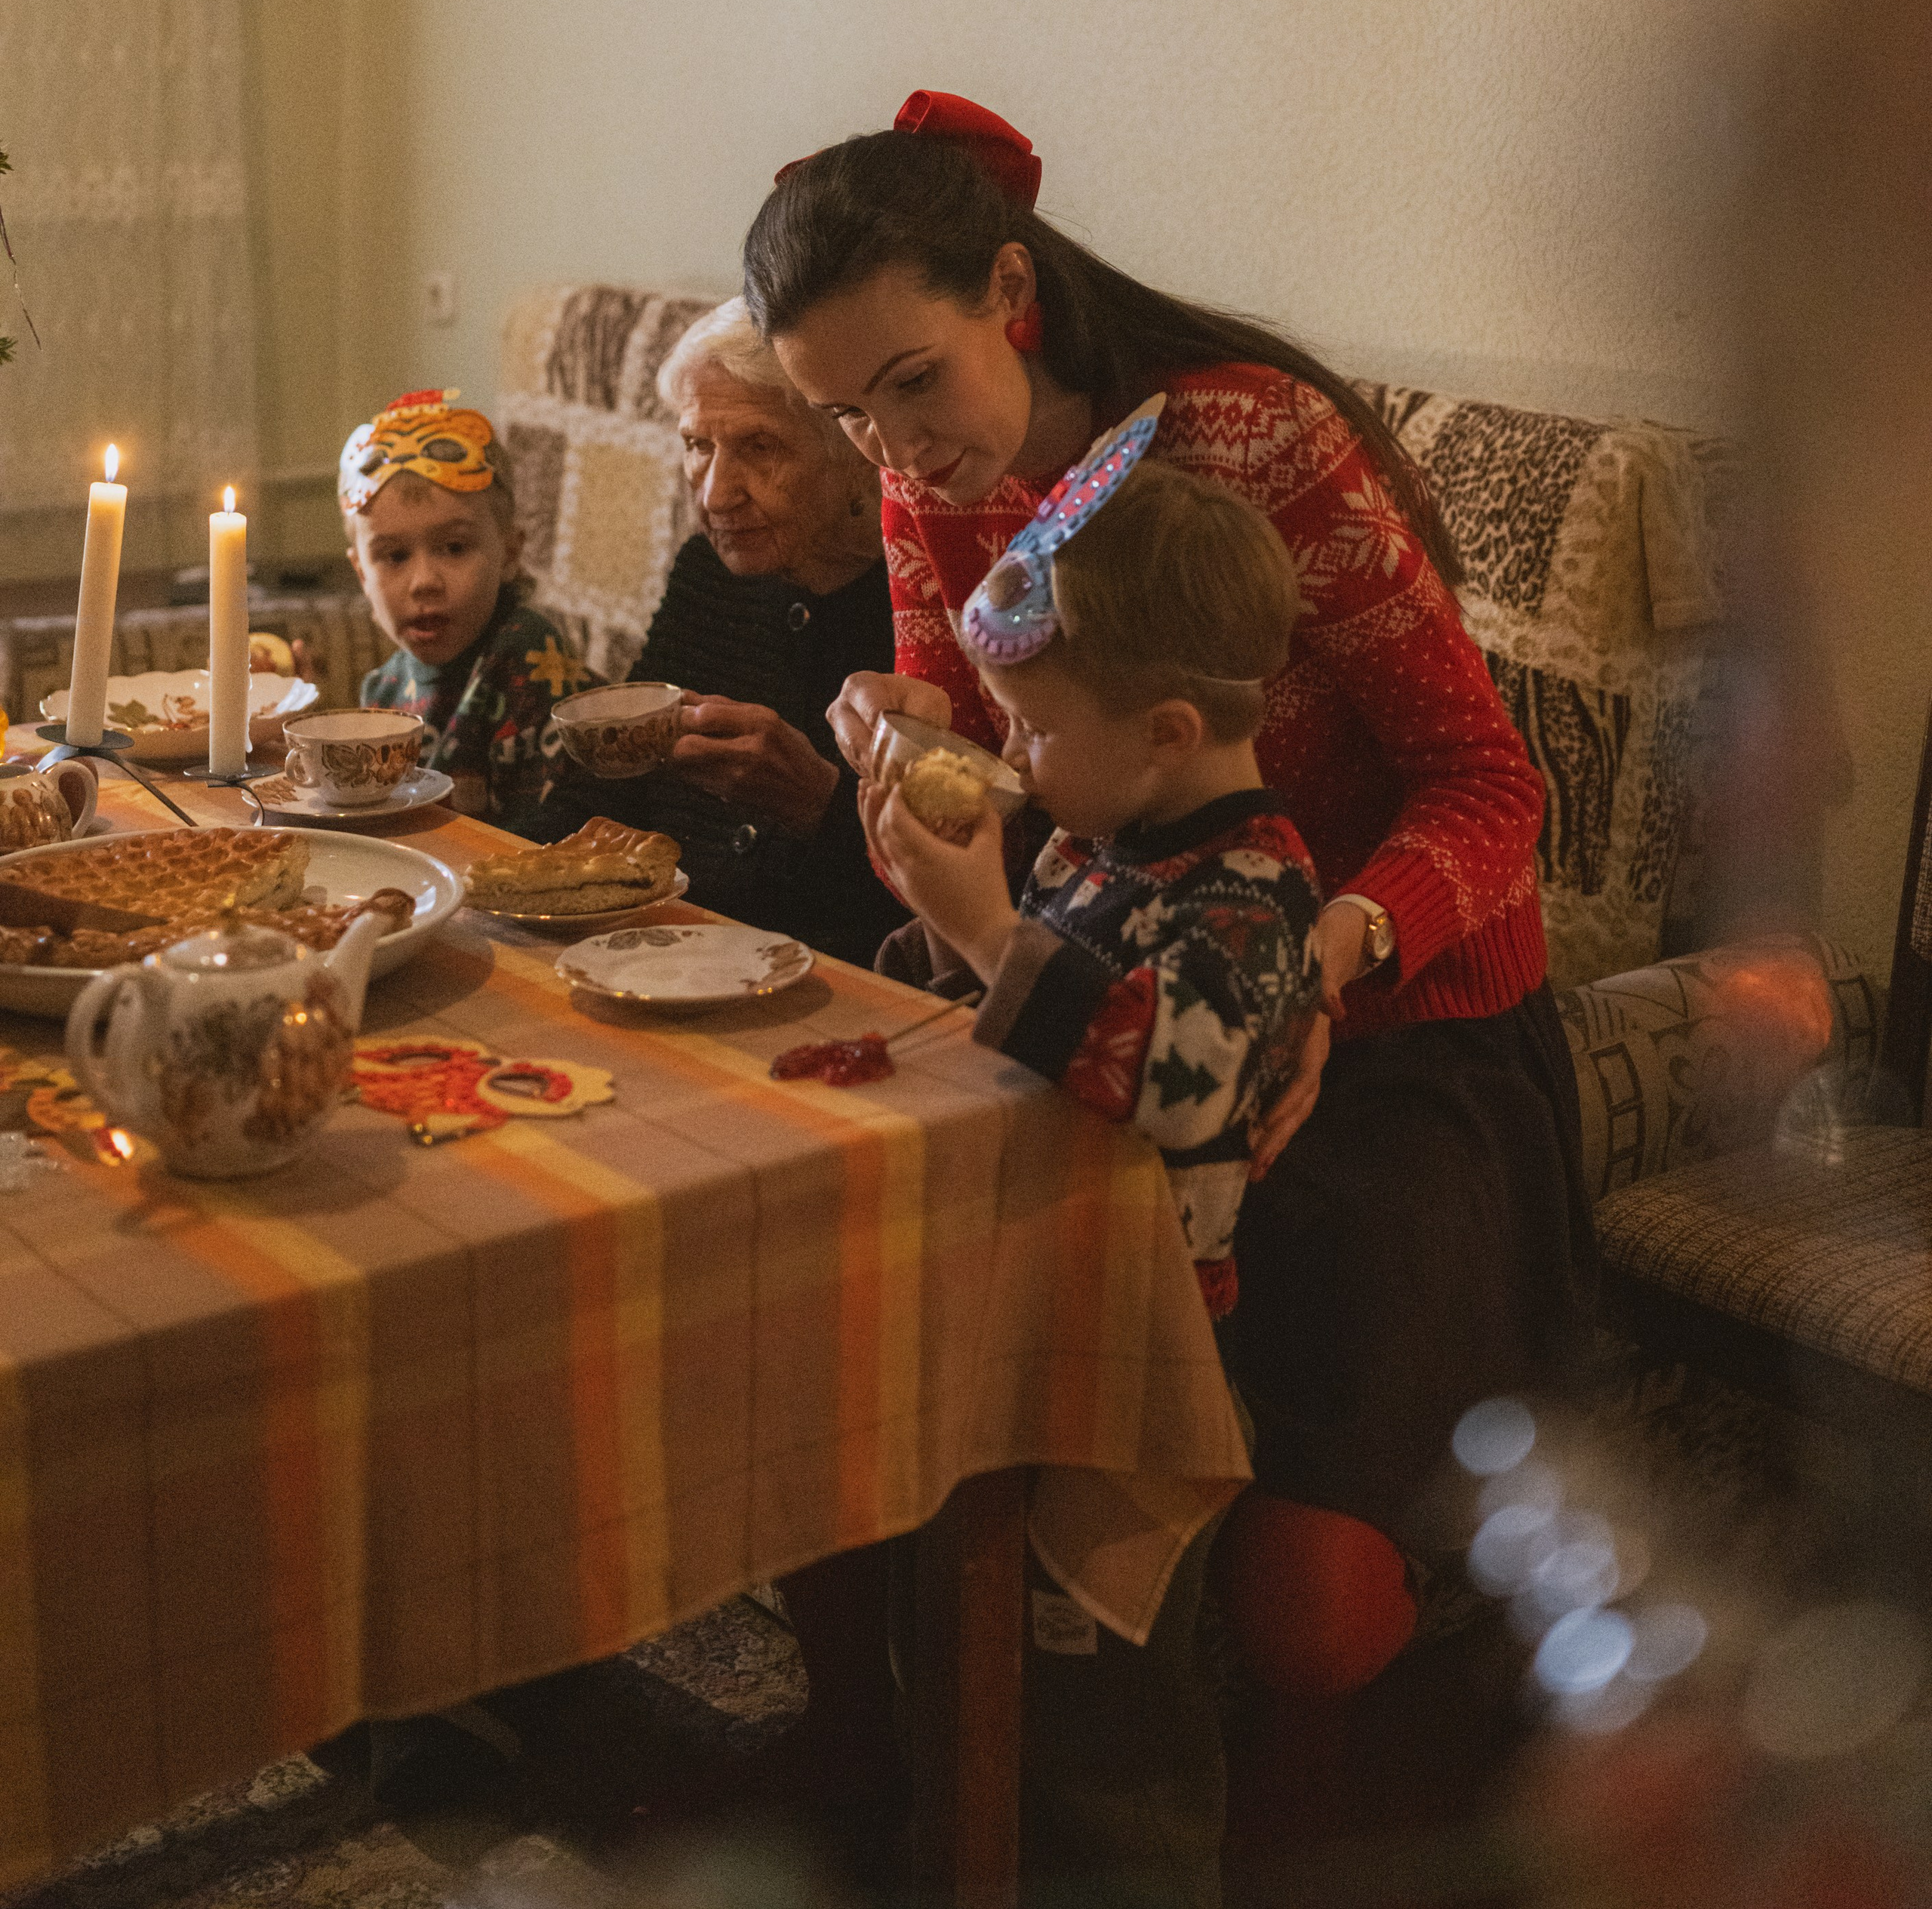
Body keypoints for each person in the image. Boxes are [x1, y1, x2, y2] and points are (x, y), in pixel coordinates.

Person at [741, 91, 1597, 1713]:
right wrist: (907, 749)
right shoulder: (932, 489)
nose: (894, 452)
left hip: (1401, 1035)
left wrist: (1322, 968)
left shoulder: (1254, 436)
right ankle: (890, 1775)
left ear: (1009, 288)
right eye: (842, 414)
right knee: (827, 1377)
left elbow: (1491, 785)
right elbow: (993, 772)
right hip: (1111, 1008)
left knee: (1304, 1591)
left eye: (909, 383)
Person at [866, 452, 1321, 1909]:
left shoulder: (1252, 891)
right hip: (1017, 1313)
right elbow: (1040, 1037)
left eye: (1034, 723)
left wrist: (999, 936)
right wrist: (943, 934)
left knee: (1107, 1739)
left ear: (1171, 729)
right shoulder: (1096, 832)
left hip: (1142, 1359)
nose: (1012, 750)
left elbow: (1178, 1084)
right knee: (962, 1659)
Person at [543, 300, 908, 968]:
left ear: (854, 455)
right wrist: (503, 876)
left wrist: (821, 805)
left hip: (813, 974)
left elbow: (925, 916)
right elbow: (612, 781)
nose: (714, 495)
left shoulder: (914, 611)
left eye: (759, 447)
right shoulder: (708, 572)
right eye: (696, 445)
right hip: (659, 945)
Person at [343, 389, 595, 833]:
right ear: (361, 572)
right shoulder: (381, 693)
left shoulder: (528, 657)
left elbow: (549, 835)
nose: (424, 581)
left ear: (510, 553)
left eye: (455, 548)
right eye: (394, 556)